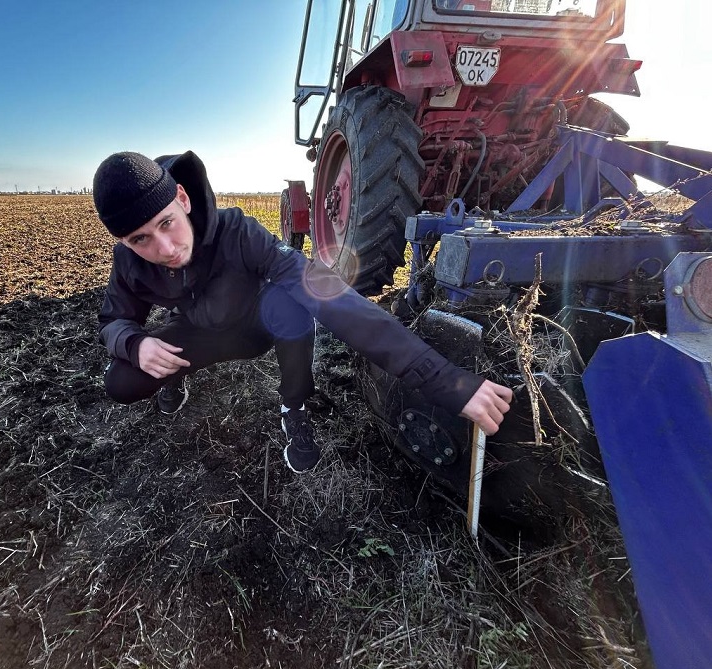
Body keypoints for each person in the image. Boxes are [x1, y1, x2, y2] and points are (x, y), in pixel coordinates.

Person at [93, 151, 513, 473]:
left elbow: (329, 296)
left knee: (291, 301)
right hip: (197, 335)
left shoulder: (239, 233)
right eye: (140, 239)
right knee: (121, 382)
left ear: (182, 199)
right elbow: (114, 320)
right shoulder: (129, 262)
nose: (165, 249)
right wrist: (133, 343)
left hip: (255, 329)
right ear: (126, 243)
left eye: (166, 223)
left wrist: (445, 380)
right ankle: (173, 375)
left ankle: (294, 406)